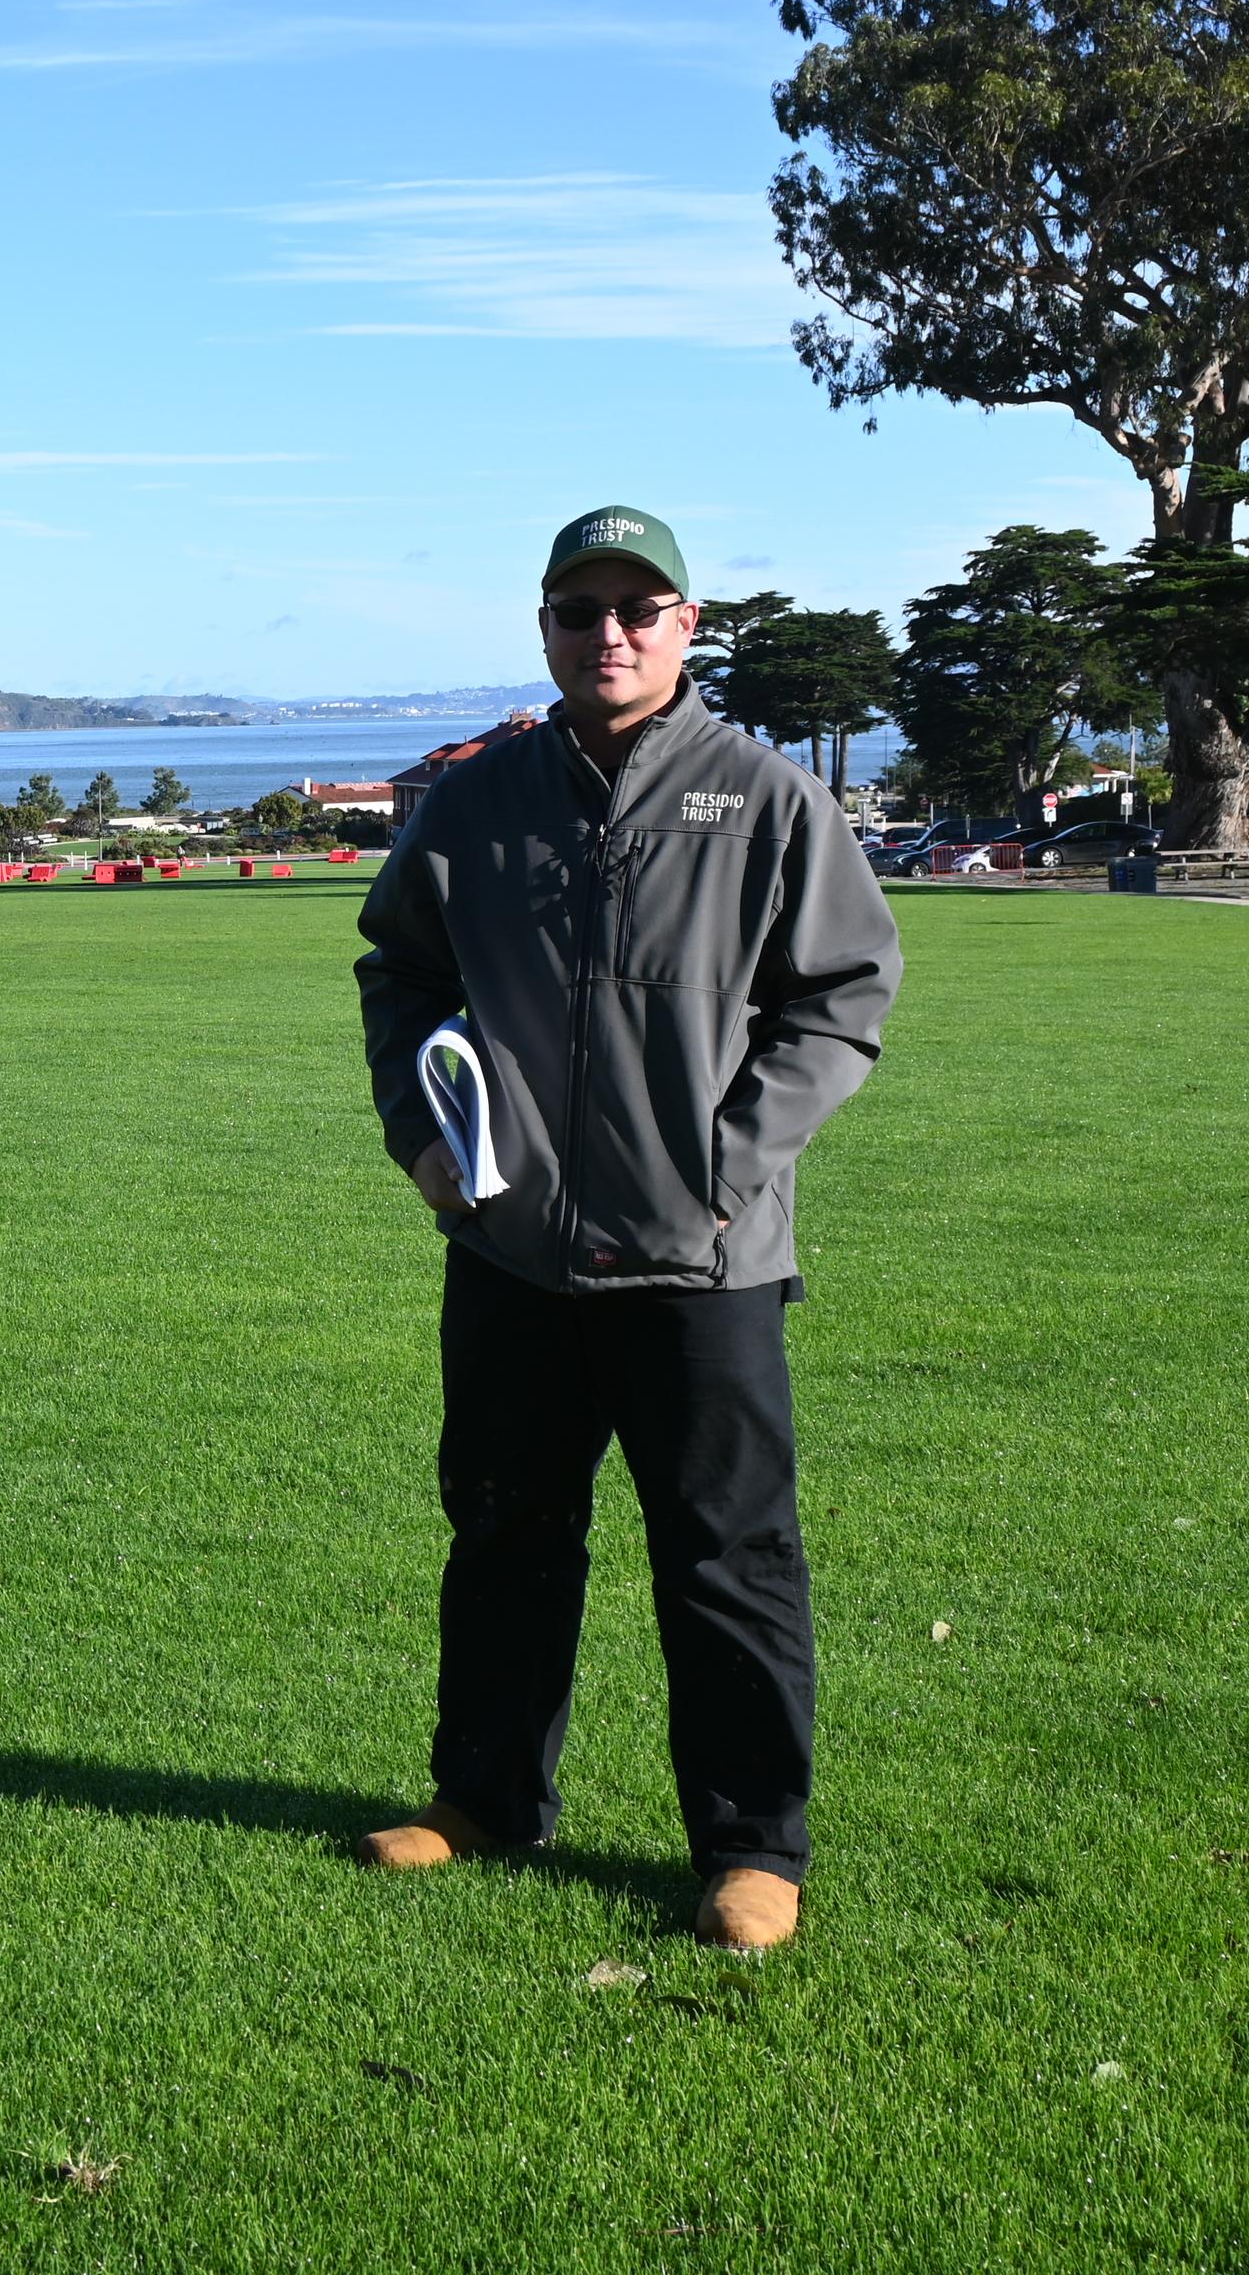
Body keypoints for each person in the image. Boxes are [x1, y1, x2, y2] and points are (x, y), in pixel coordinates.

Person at [350, 505, 901, 1950]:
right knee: (505, 1532)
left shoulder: (769, 802)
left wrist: (728, 1166)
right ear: (544, 626)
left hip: (704, 1262)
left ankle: (750, 1848)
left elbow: (841, 997)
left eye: (638, 608)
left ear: (686, 627)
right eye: (580, 609)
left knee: (727, 1557)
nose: (611, 633)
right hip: (515, 1254)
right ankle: (483, 1801)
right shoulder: (476, 806)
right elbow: (396, 973)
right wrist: (425, 1138)